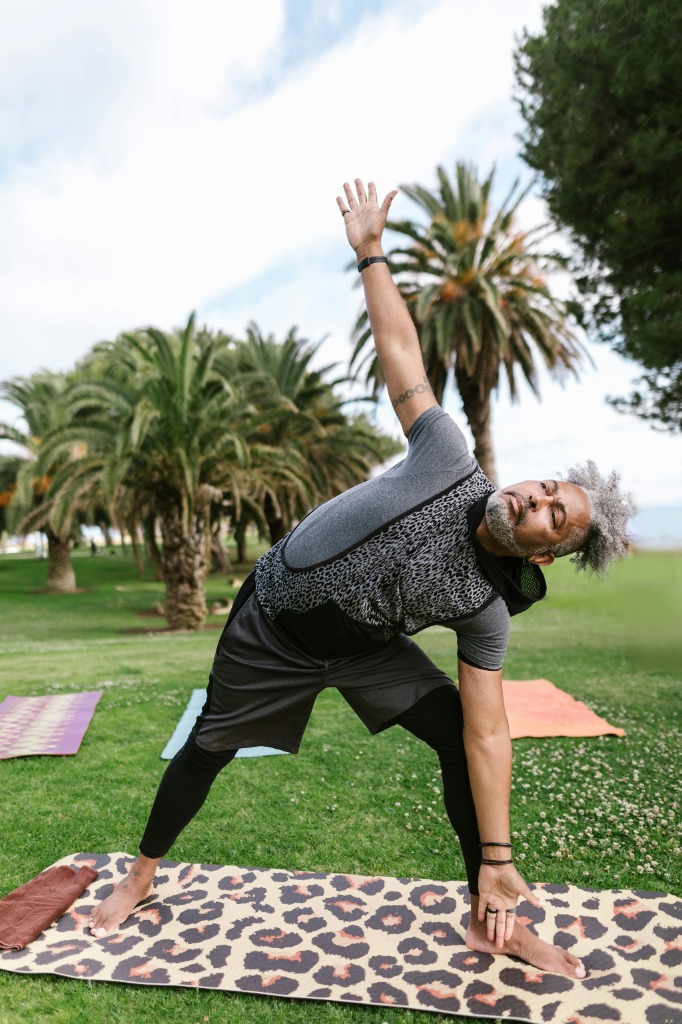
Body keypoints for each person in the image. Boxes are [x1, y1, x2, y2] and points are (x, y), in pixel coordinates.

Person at [89, 180, 634, 978]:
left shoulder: (487, 610)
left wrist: (498, 850)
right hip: (274, 623)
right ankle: (141, 876)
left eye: (556, 515)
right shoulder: (450, 456)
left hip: (365, 650)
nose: (535, 499)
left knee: (456, 738)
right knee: (208, 745)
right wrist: (371, 251)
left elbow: (488, 732)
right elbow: (403, 355)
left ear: (547, 554)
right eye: (547, 487)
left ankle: (497, 918)